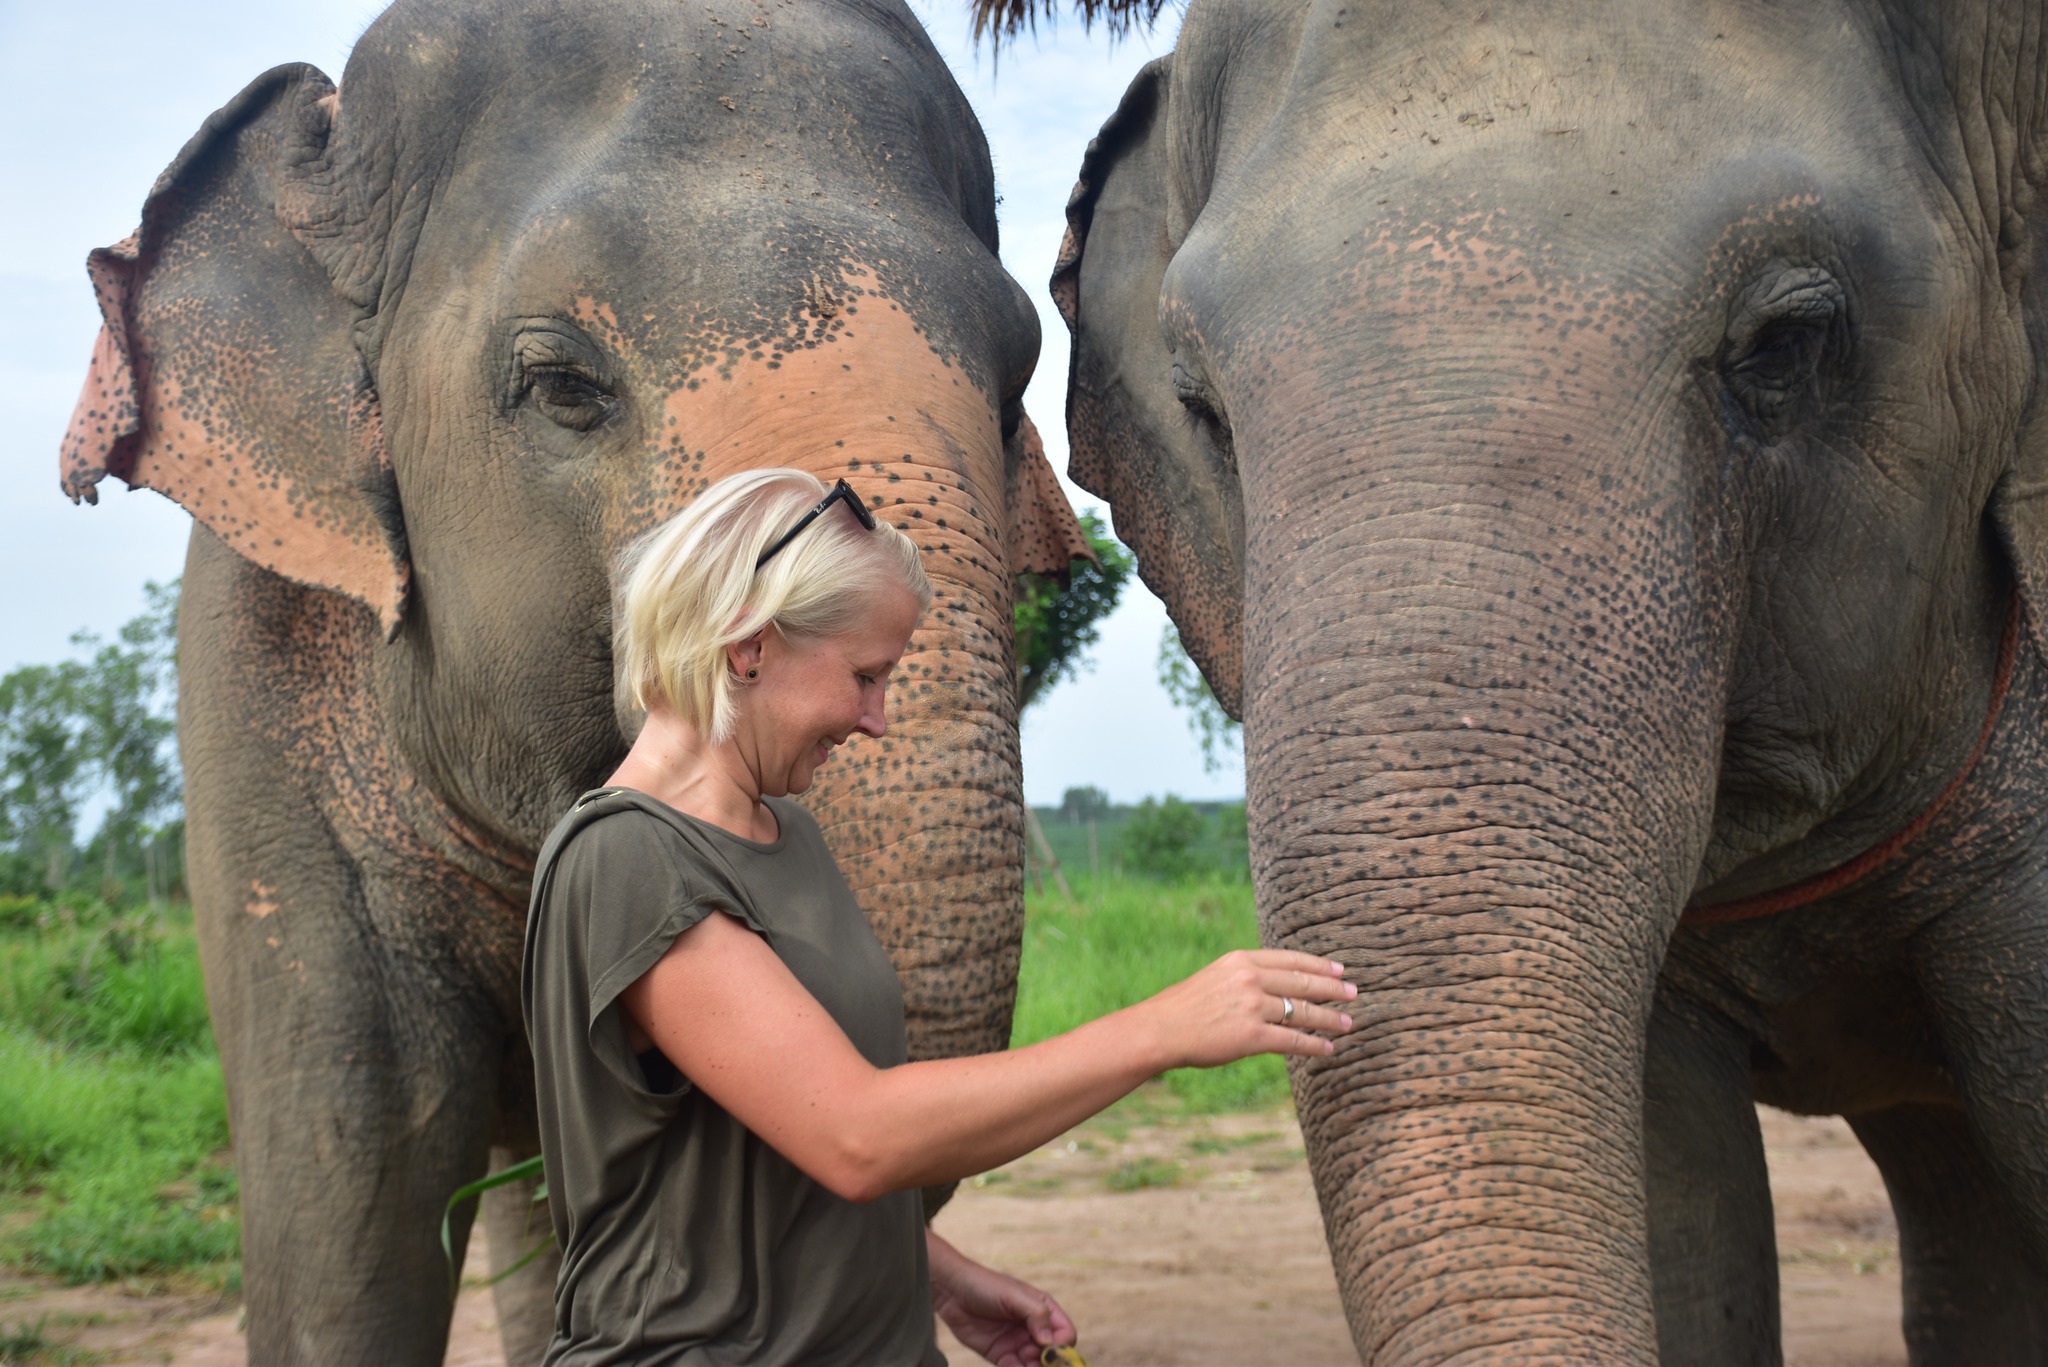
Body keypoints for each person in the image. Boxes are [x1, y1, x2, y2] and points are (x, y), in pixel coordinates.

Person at [521, 469, 1356, 1367]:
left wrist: (934, 1272)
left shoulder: (783, 833)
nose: (876, 719)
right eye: (866, 675)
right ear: (747, 648)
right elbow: (857, 1133)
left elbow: (773, 1136)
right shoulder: (627, 860)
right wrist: (1162, 1029)